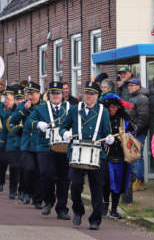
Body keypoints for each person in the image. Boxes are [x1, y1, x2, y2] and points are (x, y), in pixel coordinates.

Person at [60, 81, 112, 230]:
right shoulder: (74, 110)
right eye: (86, 93)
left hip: (96, 154)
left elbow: (107, 132)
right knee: (75, 185)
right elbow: (63, 127)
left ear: (97, 96)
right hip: (77, 153)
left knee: (97, 188)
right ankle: (78, 210)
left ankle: (95, 219)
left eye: (92, 94)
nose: (88, 96)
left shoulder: (103, 111)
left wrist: (109, 139)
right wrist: (65, 133)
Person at [28, 81, 71, 218]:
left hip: (64, 147)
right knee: (46, 174)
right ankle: (48, 201)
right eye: (53, 93)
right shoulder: (41, 109)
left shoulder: (70, 108)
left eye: (58, 93)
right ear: (49, 94)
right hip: (45, 146)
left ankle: (62, 208)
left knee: (64, 179)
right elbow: (29, 122)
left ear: (62, 94)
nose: (55, 96)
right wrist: (37, 124)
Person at [101, 93, 135, 219]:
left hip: (120, 156)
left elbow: (132, 133)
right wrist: (105, 141)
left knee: (118, 184)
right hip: (105, 156)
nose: (113, 109)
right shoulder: (102, 119)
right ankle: (105, 205)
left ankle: (114, 209)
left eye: (115, 107)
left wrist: (125, 137)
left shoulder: (124, 120)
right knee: (106, 182)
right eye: (110, 107)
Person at [10, 81, 42, 207]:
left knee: (39, 172)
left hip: (40, 143)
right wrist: (24, 109)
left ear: (39, 94)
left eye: (32, 93)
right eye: (28, 93)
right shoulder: (22, 106)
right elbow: (13, 120)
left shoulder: (45, 106)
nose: (30, 96)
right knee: (28, 169)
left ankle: (37, 199)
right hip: (27, 143)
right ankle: (26, 191)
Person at [127, 78, 151, 191]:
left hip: (138, 131)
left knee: (137, 156)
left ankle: (139, 180)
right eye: (129, 85)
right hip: (131, 131)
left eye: (132, 85)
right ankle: (136, 180)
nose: (130, 87)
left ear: (138, 86)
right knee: (133, 156)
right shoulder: (132, 97)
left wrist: (136, 129)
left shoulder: (142, 98)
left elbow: (144, 117)